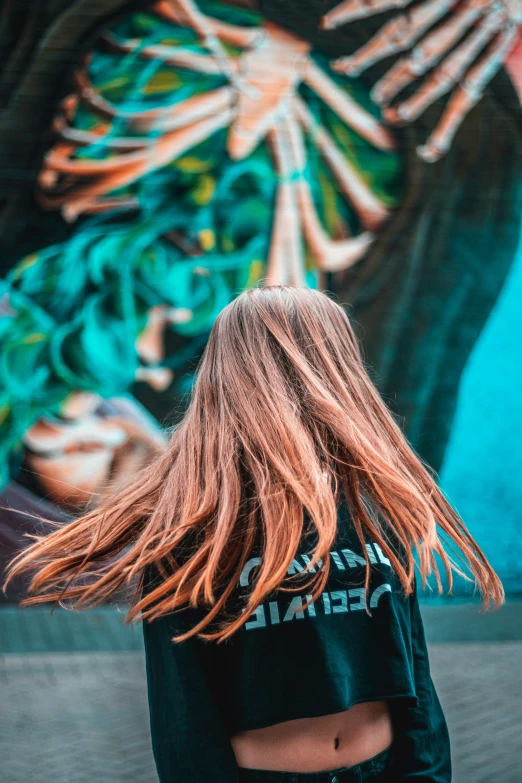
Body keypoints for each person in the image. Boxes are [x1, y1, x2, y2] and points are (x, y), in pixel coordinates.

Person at [3, 284, 504, 782]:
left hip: (386, 769)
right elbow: (184, 715)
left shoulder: (373, 497)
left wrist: (428, 773)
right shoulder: (193, 528)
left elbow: (412, 666)